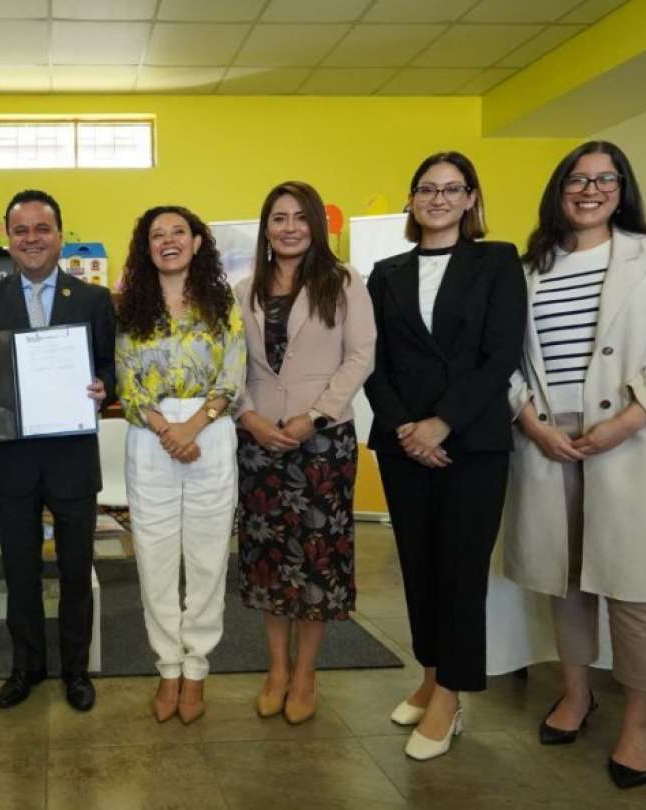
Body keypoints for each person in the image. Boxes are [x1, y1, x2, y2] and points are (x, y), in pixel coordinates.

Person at [504, 141, 646, 789]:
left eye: (605, 179)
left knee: (636, 591)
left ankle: (638, 722)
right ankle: (577, 694)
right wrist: (530, 421)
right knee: (567, 581)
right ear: (559, 190)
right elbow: (505, 359)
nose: (590, 190)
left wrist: (627, 420)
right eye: (577, 179)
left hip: (632, 439)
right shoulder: (529, 269)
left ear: (622, 189)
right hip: (549, 440)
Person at [363, 151, 526, 761]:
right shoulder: (386, 272)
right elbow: (372, 360)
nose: (438, 199)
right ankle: (430, 676)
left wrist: (442, 424)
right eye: (427, 189)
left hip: (472, 443)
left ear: (471, 199)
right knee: (419, 567)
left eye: (452, 189)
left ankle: (451, 697)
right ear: (411, 200)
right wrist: (407, 428)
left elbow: (500, 354)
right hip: (402, 445)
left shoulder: (497, 261)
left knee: (460, 572)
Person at [233, 181, 375, 724]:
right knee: (268, 560)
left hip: (322, 442)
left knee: (316, 559)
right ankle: (276, 669)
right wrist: (248, 416)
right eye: (278, 218)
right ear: (265, 228)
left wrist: (313, 416)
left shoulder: (343, 282)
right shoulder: (244, 289)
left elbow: (360, 356)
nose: (289, 227)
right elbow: (231, 363)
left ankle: (305, 675)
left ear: (316, 224)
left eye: (299, 217)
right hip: (259, 440)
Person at [0, 189, 116, 712]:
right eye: (21, 230)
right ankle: (25, 667)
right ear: (7, 239)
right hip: (13, 459)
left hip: (72, 457)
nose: (31, 239)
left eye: (42, 228)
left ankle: (76, 670)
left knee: (76, 571)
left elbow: (110, 366)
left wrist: (104, 386)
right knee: (20, 573)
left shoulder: (93, 299)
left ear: (60, 235)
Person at [116, 205, 245, 725]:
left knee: (209, 558)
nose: (168, 240)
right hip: (150, 437)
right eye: (157, 234)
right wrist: (166, 428)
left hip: (210, 431)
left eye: (178, 232)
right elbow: (126, 381)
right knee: (155, 558)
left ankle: (196, 670)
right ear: (146, 247)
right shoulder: (130, 307)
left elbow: (233, 373)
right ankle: (168, 667)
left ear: (196, 242)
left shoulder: (223, 303)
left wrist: (192, 426)